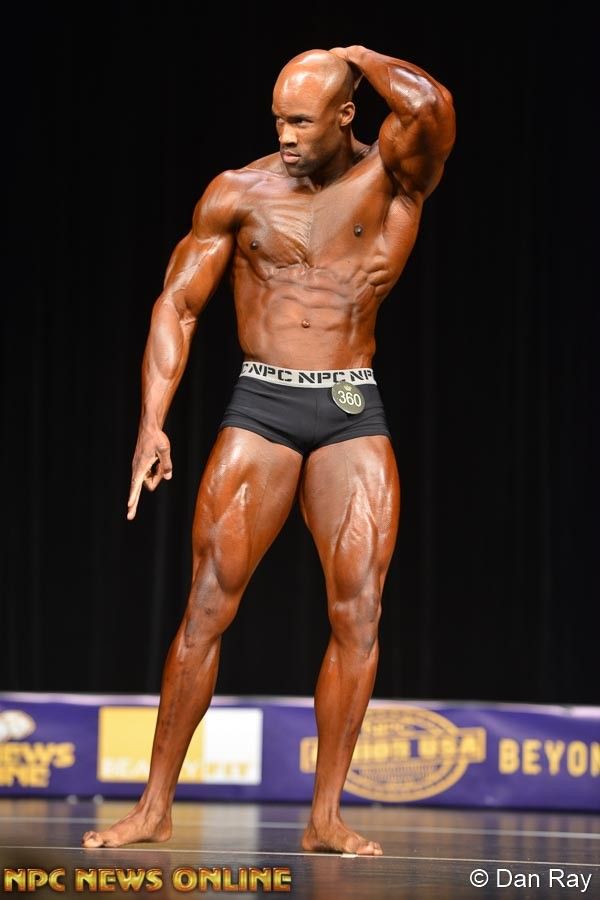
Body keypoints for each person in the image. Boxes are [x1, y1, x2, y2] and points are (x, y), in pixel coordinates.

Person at [82, 44, 455, 855]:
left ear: (347, 115)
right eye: (278, 119)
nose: (285, 135)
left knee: (359, 611)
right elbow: (177, 305)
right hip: (264, 403)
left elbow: (431, 108)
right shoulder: (239, 193)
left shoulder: (395, 176)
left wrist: (356, 54)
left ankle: (325, 816)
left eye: (302, 121)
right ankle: (153, 806)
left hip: (350, 404)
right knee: (206, 606)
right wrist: (152, 421)